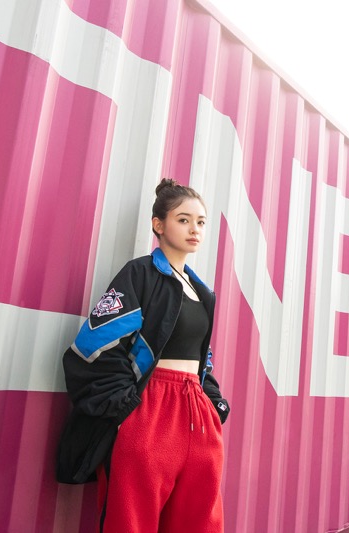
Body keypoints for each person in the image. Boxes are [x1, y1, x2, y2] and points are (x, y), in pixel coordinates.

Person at [57, 178, 230, 533]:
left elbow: (202, 357)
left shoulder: (203, 292)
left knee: (199, 523)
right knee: (132, 522)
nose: (194, 229)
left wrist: (214, 403)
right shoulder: (139, 274)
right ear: (158, 225)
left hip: (197, 413)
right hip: (150, 408)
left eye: (200, 221)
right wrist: (126, 411)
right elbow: (94, 344)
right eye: (183, 220)